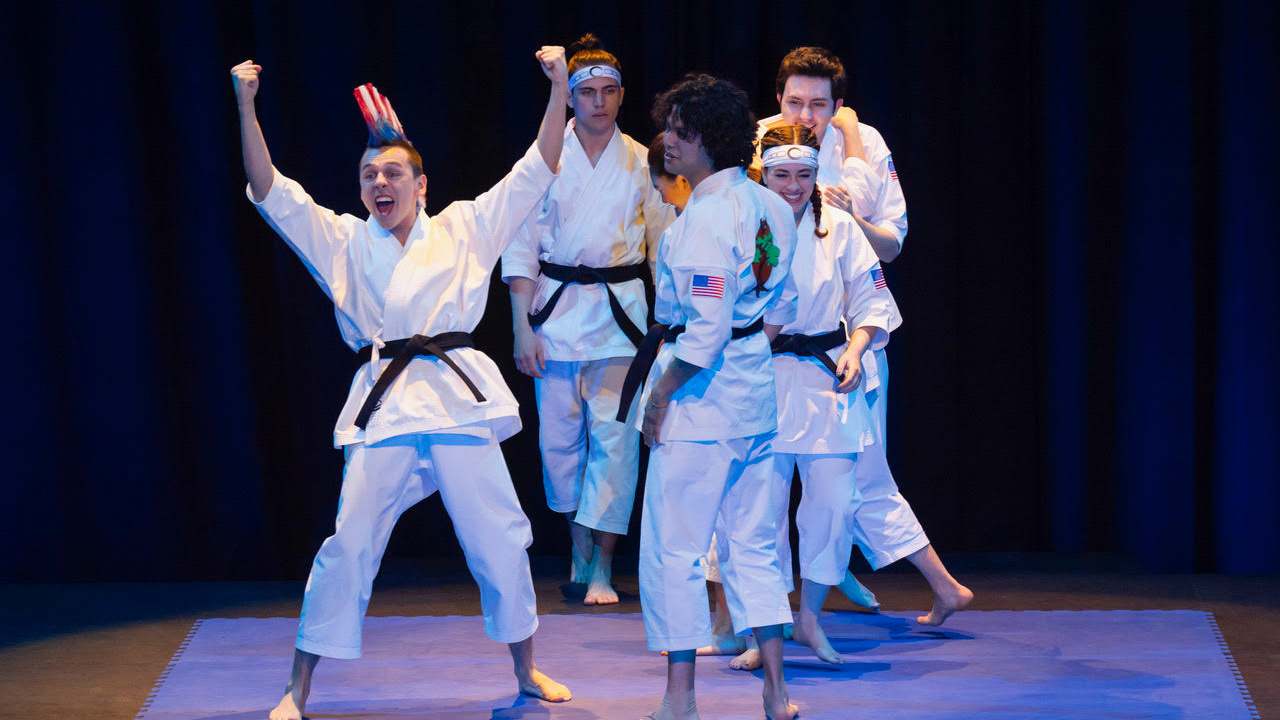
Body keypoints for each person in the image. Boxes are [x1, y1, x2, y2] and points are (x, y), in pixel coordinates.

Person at [231, 49, 573, 720]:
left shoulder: (467, 226)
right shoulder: (343, 240)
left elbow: (538, 166)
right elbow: (268, 187)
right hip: (386, 403)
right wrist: (245, 105)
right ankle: (297, 688)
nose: (378, 183)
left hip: (455, 399)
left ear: (422, 184)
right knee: (348, 543)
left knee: (500, 537)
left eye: (392, 172)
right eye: (367, 175)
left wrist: (559, 86)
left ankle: (526, 669)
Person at [761, 45, 972, 627]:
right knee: (759, 489)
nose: (805, 115)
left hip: (846, 336)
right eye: (795, 101)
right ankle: (760, 613)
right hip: (770, 349)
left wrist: (844, 216)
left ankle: (825, 595)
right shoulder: (757, 143)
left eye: (820, 105)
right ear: (778, 97)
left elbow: (892, 241)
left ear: (838, 105)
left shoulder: (867, 145)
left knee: (860, 472)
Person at [627, 73, 799, 720]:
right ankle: (777, 693)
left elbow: (702, 335)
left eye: (682, 130)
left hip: (700, 402)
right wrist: (750, 345)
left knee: (675, 548)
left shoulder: (704, 219)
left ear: (710, 140)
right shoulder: (773, 207)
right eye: (670, 125)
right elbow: (781, 302)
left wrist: (659, 396)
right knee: (753, 546)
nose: (668, 140)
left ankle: (680, 699)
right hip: (755, 392)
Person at [502, 34, 665, 606]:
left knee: (616, 444)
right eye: (586, 92)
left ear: (621, 97)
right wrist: (522, 327)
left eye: (608, 91)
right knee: (560, 446)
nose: (598, 101)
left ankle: (602, 566)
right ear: (569, 99)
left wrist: (668, 326)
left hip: (621, 320)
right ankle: (579, 546)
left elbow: (662, 248)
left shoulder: (646, 160)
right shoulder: (543, 159)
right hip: (554, 316)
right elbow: (518, 246)